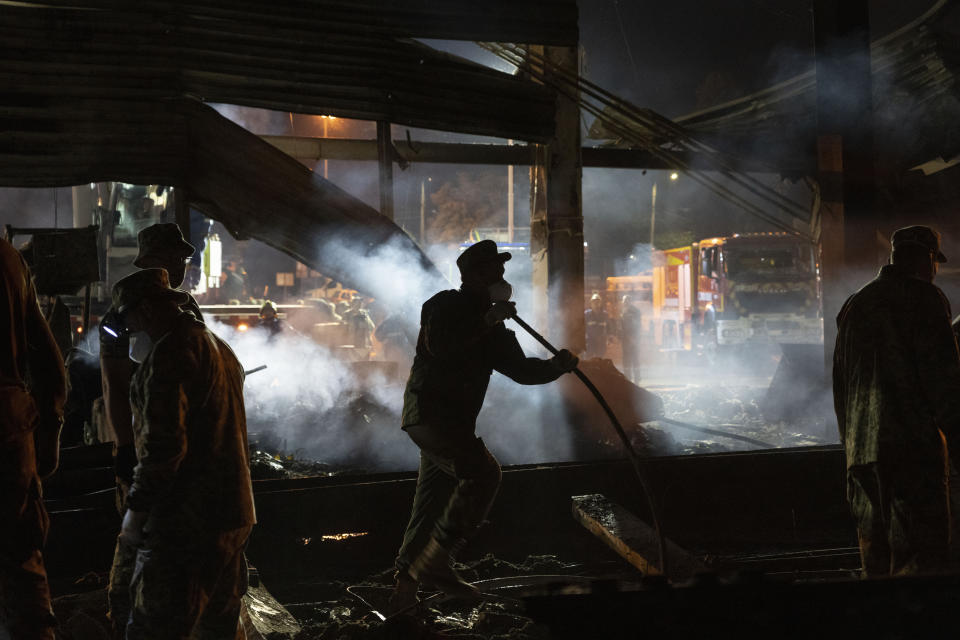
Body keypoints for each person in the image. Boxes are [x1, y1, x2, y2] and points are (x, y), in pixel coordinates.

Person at [389, 239, 578, 612]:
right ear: (475, 276)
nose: (503, 276)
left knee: (430, 504)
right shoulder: (442, 305)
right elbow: (441, 347)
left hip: (450, 426)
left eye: (502, 270)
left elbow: (522, 371)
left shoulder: (495, 331)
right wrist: (488, 319)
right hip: (430, 416)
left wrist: (555, 367)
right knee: (483, 474)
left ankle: (404, 591)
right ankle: (437, 563)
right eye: (495, 270)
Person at [110, 268, 255, 638]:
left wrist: (136, 513)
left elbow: (164, 447)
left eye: (128, 322)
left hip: (186, 524)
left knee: (154, 628)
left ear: (144, 310)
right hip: (232, 513)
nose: (129, 332)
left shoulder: (169, 355)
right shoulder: (219, 348)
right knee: (216, 630)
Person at [833, 225, 960, 577]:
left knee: (876, 564)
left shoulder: (854, 305)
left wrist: (850, 446)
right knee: (920, 565)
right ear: (926, 259)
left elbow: (840, 386)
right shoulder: (925, 300)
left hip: (861, 458)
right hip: (912, 453)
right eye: (935, 262)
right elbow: (944, 383)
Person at [101, 223, 202, 634]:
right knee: (142, 543)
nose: (181, 264)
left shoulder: (184, 310)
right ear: (154, 259)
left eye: (182, 257)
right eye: (174, 256)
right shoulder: (125, 313)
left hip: (175, 443)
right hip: (149, 441)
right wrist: (125, 445)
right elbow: (115, 380)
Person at [0, 237, 67, 639]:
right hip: (9, 424)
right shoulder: (9, 259)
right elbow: (49, 361)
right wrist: (49, 435)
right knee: (22, 564)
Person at [620, 295, 642, 383]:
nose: (625, 302)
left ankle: (633, 378)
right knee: (629, 358)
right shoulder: (624, 311)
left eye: (626, 301)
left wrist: (632, 337)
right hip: (628, 339)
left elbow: (635, 325)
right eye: (624, 301)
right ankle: (631, 378)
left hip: (631, 339)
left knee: (632, 358)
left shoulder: (632, 311)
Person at [584, 292, 609, 359]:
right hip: (590, 342)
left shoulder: (605, 315)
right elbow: (582, 328)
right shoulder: (586, 314)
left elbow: (608, 327)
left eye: (598, 302)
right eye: (594, 302)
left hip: (601, 342)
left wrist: (609, 338)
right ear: (591, 303)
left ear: (600, 303)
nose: (596, 304)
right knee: (589, 360)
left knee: (599, 360)